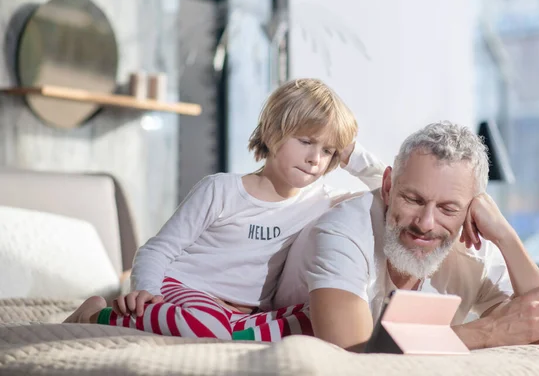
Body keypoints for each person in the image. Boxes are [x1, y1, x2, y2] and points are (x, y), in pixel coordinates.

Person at [64, 78, 386, 342]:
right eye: (306, 141)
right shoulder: (221, 190)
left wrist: (351, 153)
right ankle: (96, 313)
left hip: (246, 313)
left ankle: (236, 334)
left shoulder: (321, 200)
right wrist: (145, 291)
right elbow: (157, 250)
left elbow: (392, 189)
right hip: (185, 288)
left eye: (328, 151)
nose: (316, 158)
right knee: (210, 328)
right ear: (274, 132)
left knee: (316, 319)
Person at [274, 121, 539, 351]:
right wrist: (490, 331)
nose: (425, 223)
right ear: (387, 186)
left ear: (471, 209)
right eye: (413, 199)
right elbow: (352, 356)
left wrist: (506, 236)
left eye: (448, 208)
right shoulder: (343, 230)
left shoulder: (473, 247)